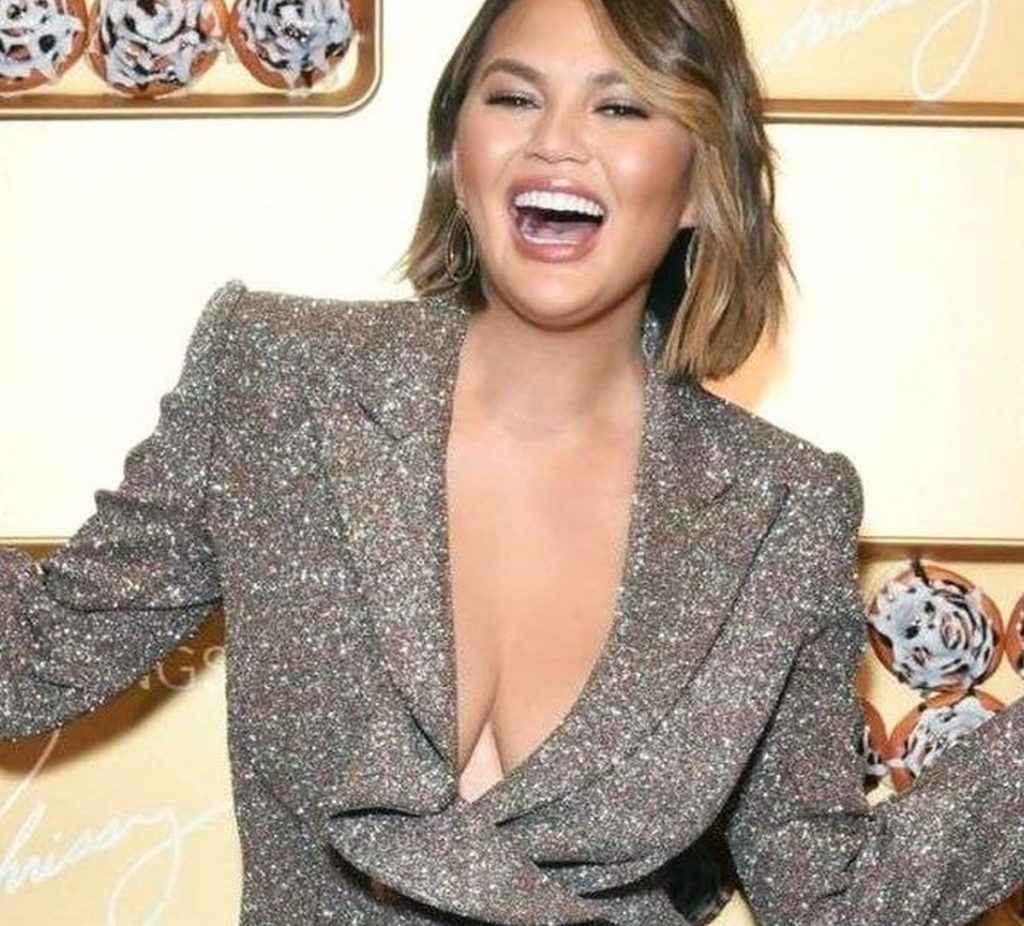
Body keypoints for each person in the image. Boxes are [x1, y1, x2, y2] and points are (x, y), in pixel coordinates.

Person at [2, 1, 1023, 924]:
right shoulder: (278, 381)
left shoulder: (781, 506)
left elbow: (832, 899)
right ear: (459, 152)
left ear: (701, 184)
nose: (556, 142)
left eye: (620, 108)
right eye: (513, 97)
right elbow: (28, 664)